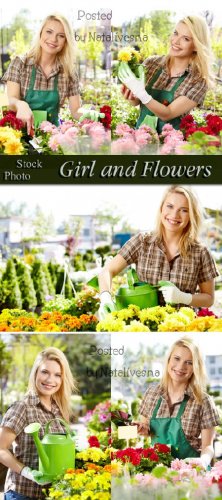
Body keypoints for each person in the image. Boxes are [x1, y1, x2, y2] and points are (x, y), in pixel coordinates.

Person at [98, 185, 219, 319]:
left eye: (184, 210)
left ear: (191, 215)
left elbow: (209, 298)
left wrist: (184, 297)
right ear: (161, 208)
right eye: (170, 206)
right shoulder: (142, 242)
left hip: (184, 325)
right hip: (143, 327)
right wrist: (105, 298)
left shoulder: (201, 252)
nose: (174, 215)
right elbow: (107, 271)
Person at [2, 13, 103, 135]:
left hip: (52, 140)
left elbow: (76, 110)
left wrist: (94, 116)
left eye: (61, 36)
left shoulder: (68, 72)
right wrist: (21, 104)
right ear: (40, 34)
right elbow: (12, 100)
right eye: (49, 32)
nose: (53, 39)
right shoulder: (20, 64)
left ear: (66, 42)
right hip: (19, 137)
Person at [0, 347, 77, 500]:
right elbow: (1, 449)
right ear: (35, 373)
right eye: (45, 372)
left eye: (57, 375)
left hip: (52, 495)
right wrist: (27, 472)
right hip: (23, 493)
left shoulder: (59, 410)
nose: (50, 380)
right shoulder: (23, 407)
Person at [118, 15, 214, 133]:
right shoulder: (152, 63)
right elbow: (137, 102)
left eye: (186, 39)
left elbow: (168, 114)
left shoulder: (198, 81)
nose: (175, 41)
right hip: (141, 138)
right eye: (175, 33)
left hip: (171, 144)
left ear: (196, 46)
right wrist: (131, 96)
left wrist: (141, 93)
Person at [137, 336, 220, 466]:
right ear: (168, 359)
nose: (181, 366)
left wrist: (203, 462)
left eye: (189, 362)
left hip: (191, 471)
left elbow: (208, 446)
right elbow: (145, 430)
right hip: (158, 470)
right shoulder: (151, 393)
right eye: (177, 358)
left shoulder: (203, 401)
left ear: (195, 368)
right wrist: (141, 429)